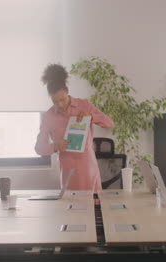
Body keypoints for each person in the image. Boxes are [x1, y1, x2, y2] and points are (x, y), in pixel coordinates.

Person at [35, 64, 114, 192]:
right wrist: (55, 146)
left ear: (67, 91)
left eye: (62, 99)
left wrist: (91, 116)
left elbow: (110, 123)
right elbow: (39, 148)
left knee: (94, 209)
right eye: (55, 101)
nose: (59, 104)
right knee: (71, 210)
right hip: (68, 176)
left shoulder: (84, 105)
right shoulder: (48, 117)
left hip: (89, 171)